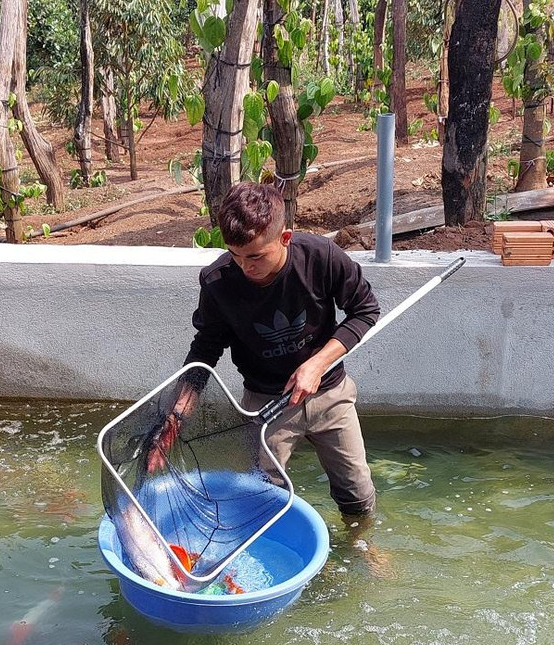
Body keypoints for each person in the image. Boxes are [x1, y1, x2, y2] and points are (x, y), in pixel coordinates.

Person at [149, 181, 381, 521]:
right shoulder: (217, 281)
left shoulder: (320, 257)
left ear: (284, 238)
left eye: (256, 256)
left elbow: (365, 311)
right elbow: (205, 351)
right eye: (236, 255)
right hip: (266, 404)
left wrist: (317, 364)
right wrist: (175, 418)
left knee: (357, 492)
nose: (246, 267)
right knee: (261, 495)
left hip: (330, 394)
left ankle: (364, 543)